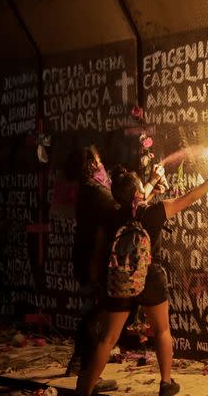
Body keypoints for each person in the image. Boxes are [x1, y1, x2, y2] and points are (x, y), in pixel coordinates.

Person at [76, 165, 208, 396]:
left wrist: (152, 181)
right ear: (137, 194)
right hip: (151, 277)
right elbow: (190, 197)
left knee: (106, 339)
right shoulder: (154, 212)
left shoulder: (113, 213)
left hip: (122, 280)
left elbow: (102, 245)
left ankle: (84, 390)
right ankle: (165, 383)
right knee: (162, 330)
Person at [66, 146, 165, 384]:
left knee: (98, 317)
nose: (103, 166)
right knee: (95, 319)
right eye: (99, 161)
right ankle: (86, 372)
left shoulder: (92, 188)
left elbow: (127, 208)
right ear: (91, 164)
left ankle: (86, 369)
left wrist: (150, 183)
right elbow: (125, 209)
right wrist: (149, 185)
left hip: (90, 258)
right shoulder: (96, 190)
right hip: (94, 260)